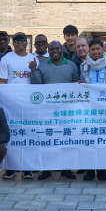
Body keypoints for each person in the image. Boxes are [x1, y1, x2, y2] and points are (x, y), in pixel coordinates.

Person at [31, 41, 79, 181]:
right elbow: (37, 85)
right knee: (48, 139)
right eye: (52, 49)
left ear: (61, 50)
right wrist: (33, 71)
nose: (55, 51)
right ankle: (46, 168)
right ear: (48, 51)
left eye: (57, 48)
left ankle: (66, 168)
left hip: (66, 110)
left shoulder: (71, 65)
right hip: (48, 110)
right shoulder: (42, 66)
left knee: (66, 139)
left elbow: (76, 84)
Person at [0, 32, 38, 180]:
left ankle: (27, 168)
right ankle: (11, 168)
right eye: (17, 40)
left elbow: (38, 81)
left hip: (29, 105)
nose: (20, 42)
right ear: (13, 43)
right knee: (12, 136)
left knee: (28, 136)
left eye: (23, 40)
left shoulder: (33, 58)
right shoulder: (6, 58)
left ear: (27, 42)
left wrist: (34, 69)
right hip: (11, 105)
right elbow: (2, 82)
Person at [79, 38, 106, 181]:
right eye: (93, 49)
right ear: (89, 50)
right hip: (88, 109)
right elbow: (81, 83)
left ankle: (101, 169)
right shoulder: (83, 66)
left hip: (105, 109)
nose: (95, 51)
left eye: (98, 49)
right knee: (89, 139)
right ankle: (89, 170)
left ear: (103, 49)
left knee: (102, 140)